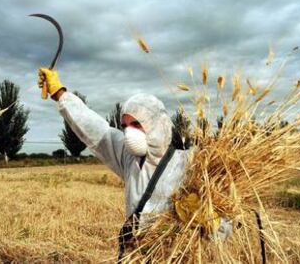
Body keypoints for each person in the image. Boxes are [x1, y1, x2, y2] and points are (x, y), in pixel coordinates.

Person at [37, 68, 232, 259]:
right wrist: (60, 95)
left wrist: (210, 220)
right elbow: (97, 130)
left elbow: (225, 228)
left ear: (157, 123)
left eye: (136, 124)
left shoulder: (191, 163)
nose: (129, 132)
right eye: (125, 126)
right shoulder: (129, 157)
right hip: (135, 256)